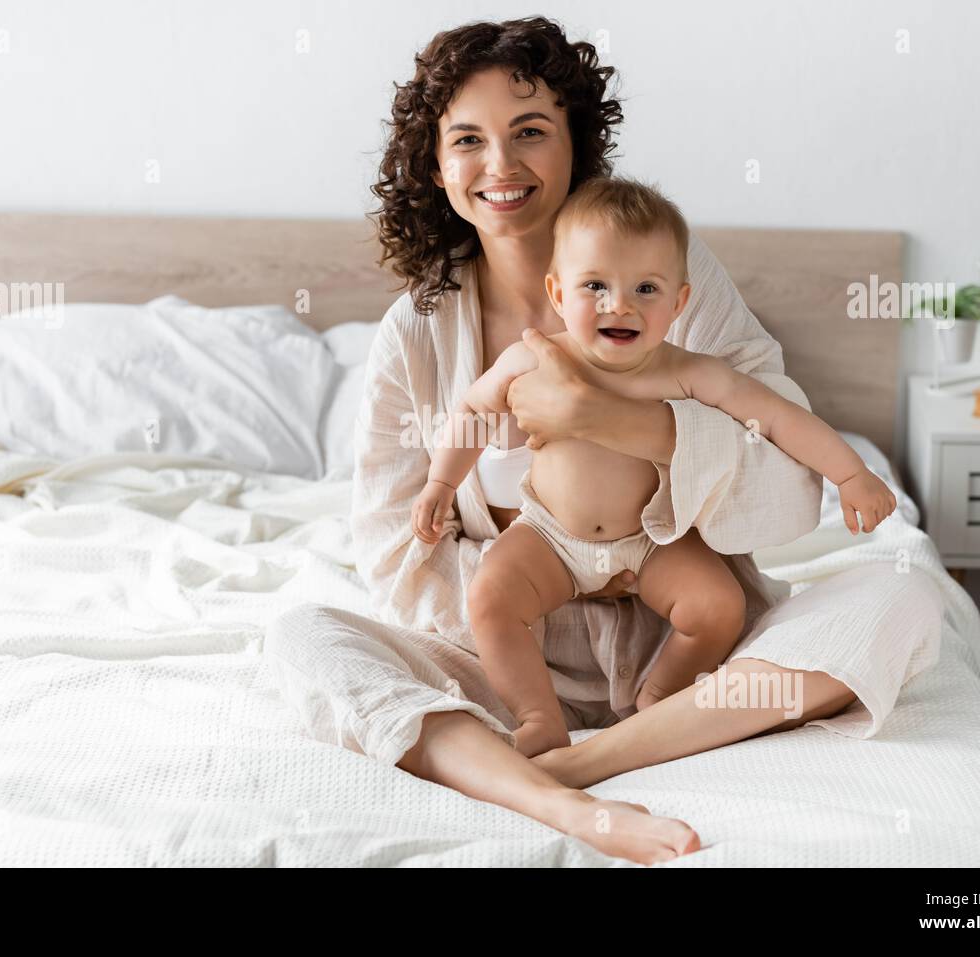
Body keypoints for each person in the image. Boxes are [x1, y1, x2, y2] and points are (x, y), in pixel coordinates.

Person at [264, 17, 939, 866]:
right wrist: (533, 587)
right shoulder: (419, 328)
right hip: (503, 664)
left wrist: (606, 422)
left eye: (531, 132)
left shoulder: (670, 280)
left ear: (577, 144)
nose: (501, 166)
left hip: (690, 654)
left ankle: (596, 760)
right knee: (303, 637)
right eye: (468, 140)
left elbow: (787, 490)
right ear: (437, 168)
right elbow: (395, 548)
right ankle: (555, 798)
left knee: (902, 595)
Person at [410, 176, 898, 758]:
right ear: (559, 293)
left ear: (679, 302)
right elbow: (473, 409)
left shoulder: (688, 371)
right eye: (595, 285)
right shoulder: (535, 357)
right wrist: (441, 481)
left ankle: (660, 698)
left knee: (718, 607)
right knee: (490, 595)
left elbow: (777, 417)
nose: (620, 304)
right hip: (549, 535)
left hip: (651, 538)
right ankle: (538, 715)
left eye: (646, 288)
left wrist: (851, 474)